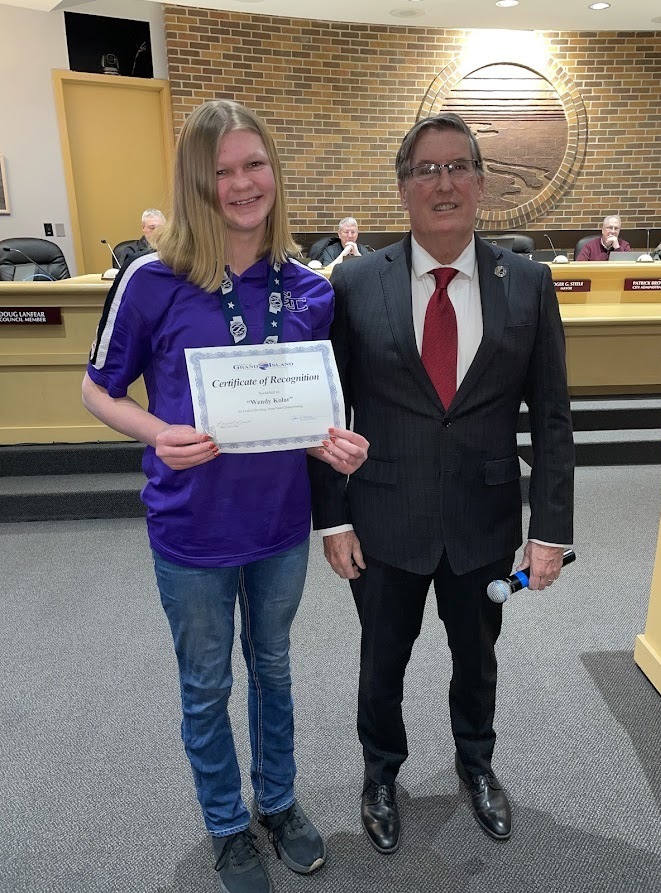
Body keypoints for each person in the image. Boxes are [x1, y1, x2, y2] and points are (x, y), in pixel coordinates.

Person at [82, 99, 368, 893]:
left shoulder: (310, 287)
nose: (242, 184)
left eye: (255, 164)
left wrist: (329, 437)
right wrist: (151, 430)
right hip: (191, 528)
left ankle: (276, 800)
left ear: (274, 171)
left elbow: (305, 404)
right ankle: (227, 824)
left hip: (277, 526)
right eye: (222, 172)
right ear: (194, 183)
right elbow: (96, 389)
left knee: (272, 667)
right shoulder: (152, 278)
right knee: (207, 683)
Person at [309, 113, 575, 854]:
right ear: (402, 189)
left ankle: (477, 764)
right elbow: (328, 414)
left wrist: (549, 529)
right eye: (426, 169)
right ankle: (379, 774)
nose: (445, 181)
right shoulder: (356, 282)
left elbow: (551, 417)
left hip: (484, 518)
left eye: (459, 166)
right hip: (382, 514)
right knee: (380, 660)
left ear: (482, 183)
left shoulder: (525, 283)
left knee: (478, 657)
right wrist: (333, 520)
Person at [308, 217, 374, 265]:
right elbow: (328, 270)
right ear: (339, 234)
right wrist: (344, 253)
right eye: (346, 232)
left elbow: (368, 270)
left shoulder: (363, 250)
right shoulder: (330, 250)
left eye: (353, 232)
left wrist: (357, 254)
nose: (350, 236)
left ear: (357, 234)